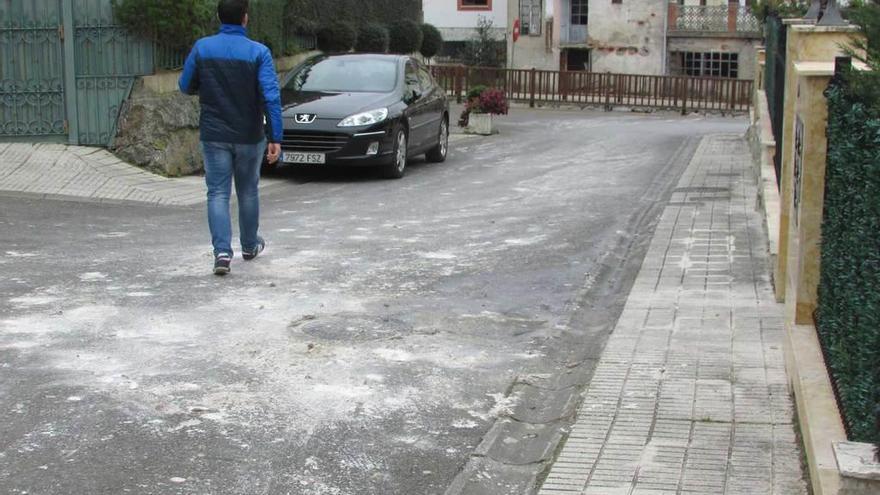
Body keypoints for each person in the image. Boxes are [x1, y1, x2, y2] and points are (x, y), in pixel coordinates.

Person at [179, 0, 282, 275]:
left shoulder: (202, 47)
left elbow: (185, 85)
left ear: (218, 17)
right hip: (250, 134)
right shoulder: (259, 53)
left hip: (214, 133)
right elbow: (271, 96)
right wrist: (275, 136)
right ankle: (249, 246)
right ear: (245, 19)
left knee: (217, 193)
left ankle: (222, 254)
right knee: (248, 190)